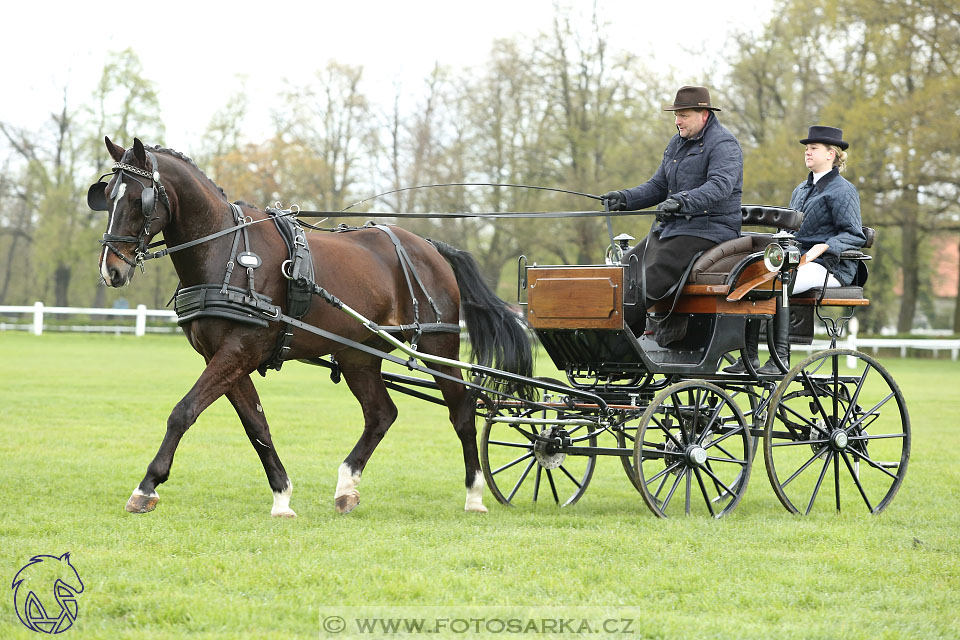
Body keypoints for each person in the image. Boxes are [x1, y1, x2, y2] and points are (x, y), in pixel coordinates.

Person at [601, 85, 743, 339]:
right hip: (672, 229)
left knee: (647, 281)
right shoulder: (676, 144)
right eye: (676, 115)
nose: (677, 121)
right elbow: (657, 186)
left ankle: (619, 344)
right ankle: (617, 340)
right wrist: (624, 198)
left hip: (710, 230)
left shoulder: (724, 144)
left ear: (704, 114)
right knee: (623, 272)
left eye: (684, 115)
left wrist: (681, 201)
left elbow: (720, 186)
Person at [724, 125, 865, 374]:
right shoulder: (800, 190)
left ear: (831, 154)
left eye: (813, 148)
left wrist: (826, 246)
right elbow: (791, 231)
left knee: (779, 282)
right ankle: (750, 357)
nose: (807, 153)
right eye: (807, 149)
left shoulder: (844, 191)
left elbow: (854, 234)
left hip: (831, 267)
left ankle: (781, 359)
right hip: (794, 261)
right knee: (751, 277)